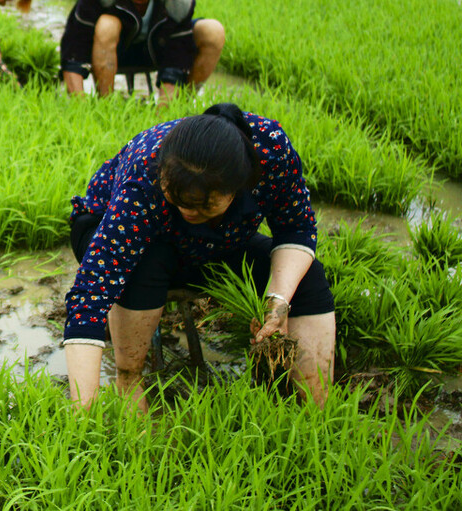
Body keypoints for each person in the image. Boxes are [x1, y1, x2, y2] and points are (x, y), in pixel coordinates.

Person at [63, 103, 337, 411]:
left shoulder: (270, 151)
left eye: (202, 206)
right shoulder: (146, 171)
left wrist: (278, 300)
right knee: (146, 259)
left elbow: (296, 229)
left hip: (220, 240)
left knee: (309, 277)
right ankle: (129, 382)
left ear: (238, 189)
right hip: (122, 236)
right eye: (176, 201)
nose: (186, 212)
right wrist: (82, 412)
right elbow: (93, 292)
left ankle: (315, 405)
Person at [59, 0, 224, 104]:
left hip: (157, 50)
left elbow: (177, 58)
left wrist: (165, 115)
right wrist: (78, 104)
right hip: (112, 52)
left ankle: (180, 107)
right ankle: (105, 103)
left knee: (213, 31)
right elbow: (74, 50)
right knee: (106, 24)